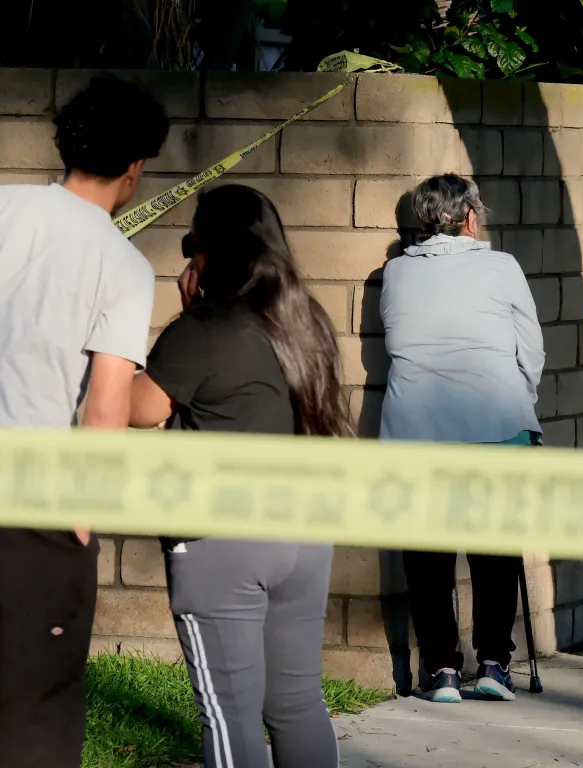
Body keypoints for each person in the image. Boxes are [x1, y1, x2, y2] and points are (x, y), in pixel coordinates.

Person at [129, 184, 350, 768]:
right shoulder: (309, 322)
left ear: (214, 254)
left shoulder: (202, 331)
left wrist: (187, 314)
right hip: (305, 534)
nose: (186, 260)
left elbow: (138, 407)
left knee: (230, 716)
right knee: (300, 703)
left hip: (221, 543)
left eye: (190, 245)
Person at [0, 74, 168, 768]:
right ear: (135, 168)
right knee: (34, 706)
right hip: (34, 506)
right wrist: (81, 521)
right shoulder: (122, 265)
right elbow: (107, 407)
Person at [380, 174, 545, 703]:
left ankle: (443, 670)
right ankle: (494, 664)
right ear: (470, 216)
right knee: (496, 549)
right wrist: (520, 400)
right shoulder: (501, 266)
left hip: (415, 431)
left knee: (427, 553)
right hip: (494, 425)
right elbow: (531, 350)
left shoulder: (395, 272)